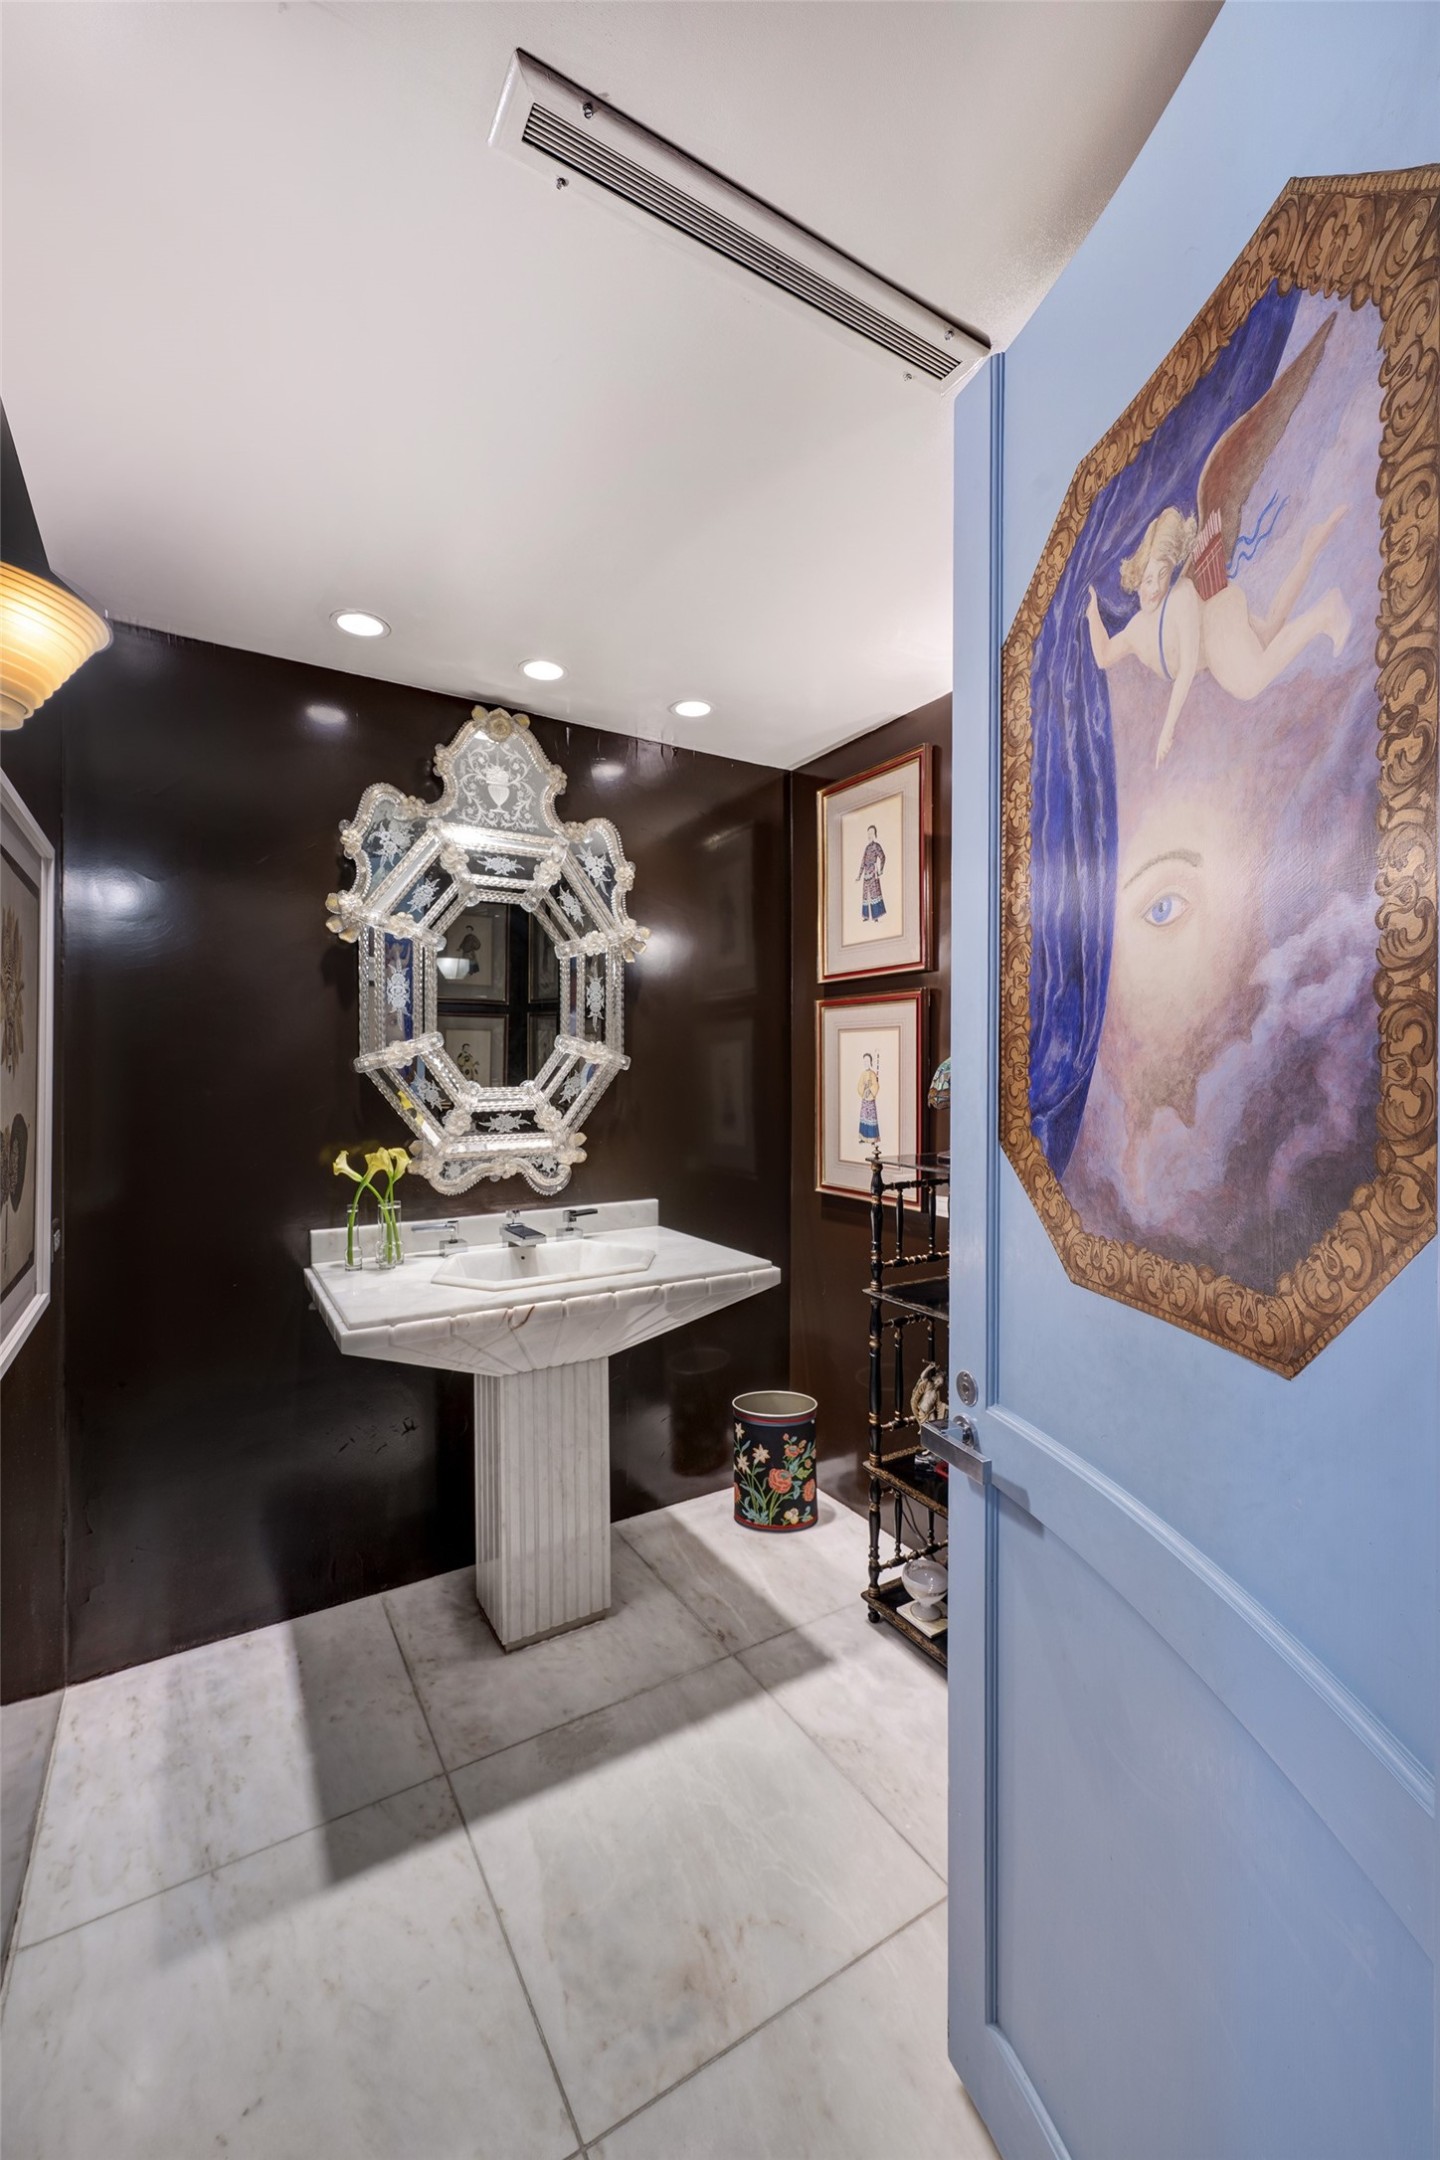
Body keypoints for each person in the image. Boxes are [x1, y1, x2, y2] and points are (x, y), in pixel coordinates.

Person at [1085, 503, 1349, 764]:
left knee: (1249, 682)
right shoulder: (1136, 629)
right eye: (1148, 580)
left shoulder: (1181, 595)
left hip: (1218, 618)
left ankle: (1324, 614)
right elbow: (1104, 655)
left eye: (1162, 575)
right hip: (1218, 627)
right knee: (1270, 634)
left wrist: (1167, 730)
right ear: (1137, 577)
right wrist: (1091, 612)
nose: (1155, 588)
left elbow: (1188, 666)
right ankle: (1309, 551)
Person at [857, 826, 887, 922]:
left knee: (874, 894)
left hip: (873, 873)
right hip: (866, 873)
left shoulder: (876, 846)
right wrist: (859, 875)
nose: (870, 835)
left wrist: (881, 869)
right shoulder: (866, 848)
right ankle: (866, 916)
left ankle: (876, 916)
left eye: (872, 833)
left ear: (875, 835)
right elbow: (862, 862)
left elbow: (882, 856)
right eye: (868, 833)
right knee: (866, 895)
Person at [857, 1053, 881, 1148]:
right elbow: (859, 1086)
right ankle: (863, 1137)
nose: (866, 1063)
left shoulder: (873, 1074)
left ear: (871, 1062)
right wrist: (864, 1088)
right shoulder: (863, 1074)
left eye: (867, 1061)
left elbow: (876, 1086)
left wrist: (870, 1087)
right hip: (864, 1100)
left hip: (870, 1100)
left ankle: (872, 1139)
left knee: (871, 1119)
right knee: (864, 1118)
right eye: (864, 1061)